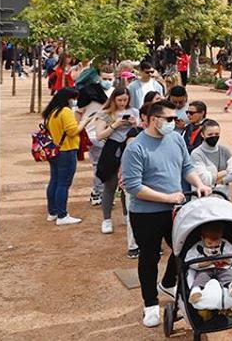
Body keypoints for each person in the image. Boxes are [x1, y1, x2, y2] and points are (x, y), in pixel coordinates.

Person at [121, 100, 212, 328]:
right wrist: (167, 198)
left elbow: (186, 167)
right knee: (150, 256)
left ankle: (169, 282)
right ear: (153, 119)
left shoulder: (175, 138)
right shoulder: (136, 147)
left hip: (176, 210)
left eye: (175, 118)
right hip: (146, 214)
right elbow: (134, 187)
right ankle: (150, 304)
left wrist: (199, 183)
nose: (175, 122)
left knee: (185, 248)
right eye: (169, 119)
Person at [92, 88, 139, 238]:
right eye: (119, 100)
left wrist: (134, 124)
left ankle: (127, 215)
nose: (122, 103)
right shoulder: (105, 114)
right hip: (112, 150)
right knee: (110, 185)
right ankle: (106, 219)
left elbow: (140, 130)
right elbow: (99, 136)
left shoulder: (134, 111)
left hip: (130, 148)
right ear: (113, 99)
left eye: (125, 100)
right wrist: (115, 124)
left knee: (128, 184)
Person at [41, 87, 83, 224]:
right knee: (64, 183)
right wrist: (84, 123)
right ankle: (62, 215)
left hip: (54, 151)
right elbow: (72, 131)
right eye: (74, 98)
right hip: (67, 150)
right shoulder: (65, 112)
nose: (74, 101)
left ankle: (52, 211)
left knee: (54, 180)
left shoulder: (51, 112)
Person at [184, 222, 232, 309]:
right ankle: (195, 290)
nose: (213, 247)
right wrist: (208, 262)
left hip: (221, 268)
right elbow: (191, 263)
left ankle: (231, 286)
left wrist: (223, 259)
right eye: (209, 244)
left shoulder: (225, 244)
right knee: (201, 277)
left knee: (228, 275)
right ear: (203, 238)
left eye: (216, 244)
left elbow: (231, 259)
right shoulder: (197, 247)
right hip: (204, 269)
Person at [190, 120, 232, 195]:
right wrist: (225, 172)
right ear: (202, 135)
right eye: (210, 134)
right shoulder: (196, 154)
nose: (214, 136)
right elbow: (204, 180)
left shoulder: (225, 151)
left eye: (217, 134)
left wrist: (217, 180)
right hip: (202, 199)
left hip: (223, 197)